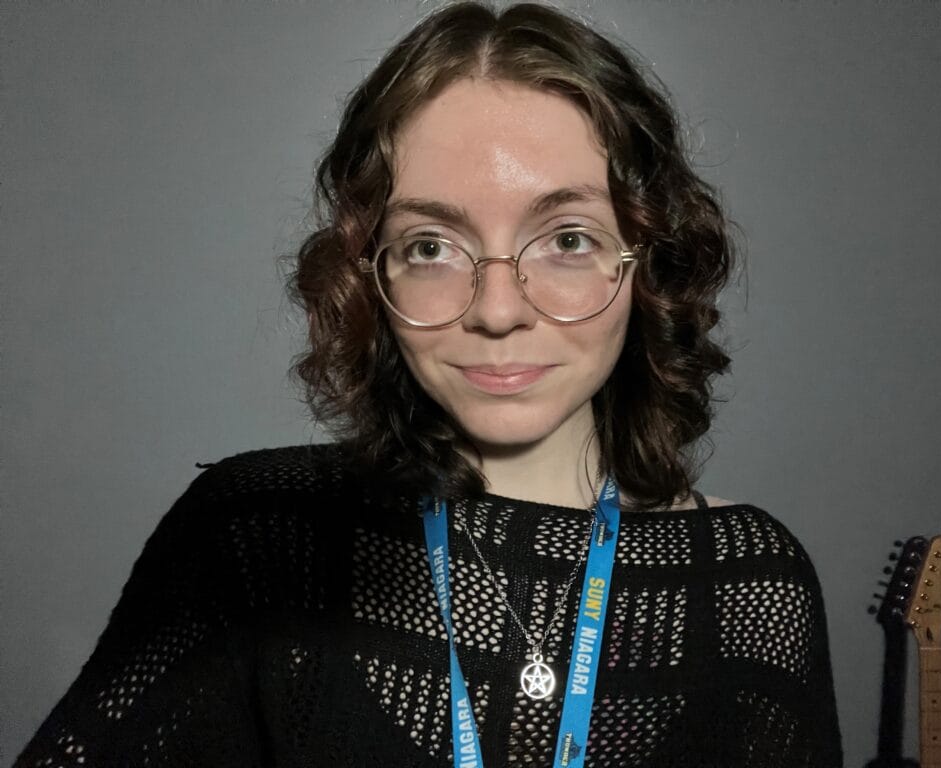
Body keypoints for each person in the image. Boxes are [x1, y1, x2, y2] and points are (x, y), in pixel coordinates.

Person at [15, 2, 842, 766]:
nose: (496, 309)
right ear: (370, 275)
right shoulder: (254, 540)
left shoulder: (753, 583)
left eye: (568, 238)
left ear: (647, 262)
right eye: (431, 247)